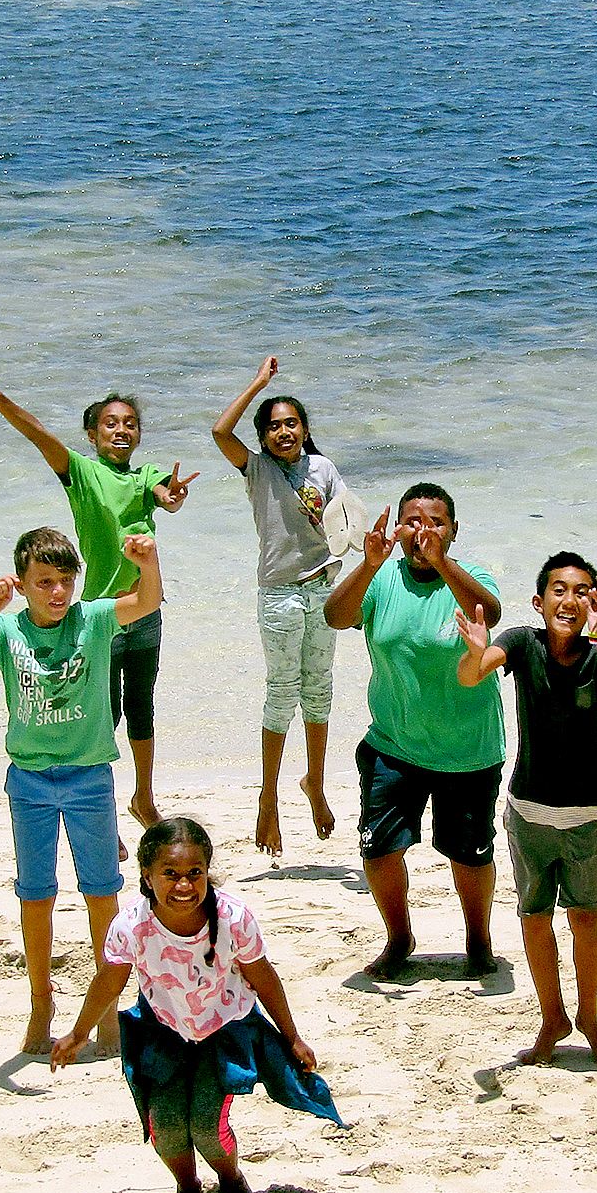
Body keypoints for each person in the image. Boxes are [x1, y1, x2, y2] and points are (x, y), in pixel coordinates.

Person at [52, 819, 339, 1193]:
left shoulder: (233, 918)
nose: (183, 885)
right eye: (170, 874)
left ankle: (232, 1180)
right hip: (163, 1028)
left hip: (225, 1028)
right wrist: (78, 1033)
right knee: (165, 1126)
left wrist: (291, 1036)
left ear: (207, 873)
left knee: (206, 1124)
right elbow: (109, 979)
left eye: (194, 874)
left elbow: (263, 976)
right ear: (147, 878)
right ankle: (187, 1189)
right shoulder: (131, 926)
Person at [0, 355, 196, 832]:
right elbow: (39, 434)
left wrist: (173, 496)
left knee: (141, 707)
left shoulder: (144, 476)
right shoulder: (81, 474)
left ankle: (143, 798)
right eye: (110, 424)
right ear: (92, 434)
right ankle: (98, 810)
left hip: (143, 612)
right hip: (98, 620)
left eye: (129, 423)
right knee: (98, 716)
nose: (121, 430)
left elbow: (165, 494)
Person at [0, 526, 164, 1053]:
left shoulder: (91, 619)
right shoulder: (7, 631)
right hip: (28, 781)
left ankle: (108, 1003)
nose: (57, 593)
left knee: (101, 890)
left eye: (65, 581)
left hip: (89, 776)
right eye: (44, 582)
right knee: (36, 894)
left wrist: (146, 561)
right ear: (22, 585)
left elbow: (147, 601)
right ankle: (41, 1001)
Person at [457, 552, 597, 1064]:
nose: (570, 600)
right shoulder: (520, 642)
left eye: (582, 591)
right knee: (534, 918)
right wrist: (475, 651)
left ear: (595, 602)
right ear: (539, 603)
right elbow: (473, 676)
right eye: (559, 590)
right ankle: (552, 1017)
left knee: (586, 917)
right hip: (528, 811)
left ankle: (590, 1017)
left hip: (586, 814)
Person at [325, 485, 506, 980]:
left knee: (469, 855)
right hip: (393, 743)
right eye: (412, 521)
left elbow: (489, 615)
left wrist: (445, 564)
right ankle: (398, 937)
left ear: (453, 530)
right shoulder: (381, 575)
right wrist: (366, 564)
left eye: (436, 522)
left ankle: (478, 939)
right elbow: (335, 617)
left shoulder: (471, 578)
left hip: (467, 748)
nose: (423, 531)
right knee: (379, 850)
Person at [212, 356, 352, 857]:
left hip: (324, 588)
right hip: (278, 592)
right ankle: (268, 795)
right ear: (264, 437)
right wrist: (258, 383)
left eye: (291, 423)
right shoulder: (259, 470)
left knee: (320, 690)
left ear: (305, 428)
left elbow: (345, 530)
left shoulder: (324, 469)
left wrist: (331, 526)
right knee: (281, 691)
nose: (283, 432)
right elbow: (219, 432)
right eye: (273, 427)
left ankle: (314, 780)